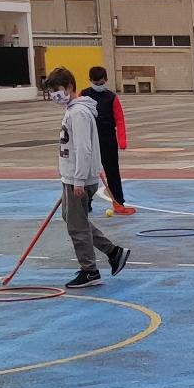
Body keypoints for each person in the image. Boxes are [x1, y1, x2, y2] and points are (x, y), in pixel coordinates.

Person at [45, 66, 129, 288]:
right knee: (74, 219)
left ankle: (89, 270)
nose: (55, 95)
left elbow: (84, 148)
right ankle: (113, 252)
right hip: (70, 177)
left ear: (69, 87)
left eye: (57, 90)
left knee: (76, 226)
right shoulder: (73, 110)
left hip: (77, 179)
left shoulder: (79, 113)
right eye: (51, 91)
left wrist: (79, 180)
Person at [81, 66, 133, 214]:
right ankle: (86, 203)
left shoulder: (112, 97)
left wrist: (122, 141)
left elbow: (120, 119)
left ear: (106, 80)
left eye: (101, 83)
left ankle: (118, 202)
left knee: (112, 172)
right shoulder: (83, 96)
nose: (98, 86)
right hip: (89, 140)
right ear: (90, 80)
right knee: (86, 174)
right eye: (95, 83)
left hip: (107, 139)